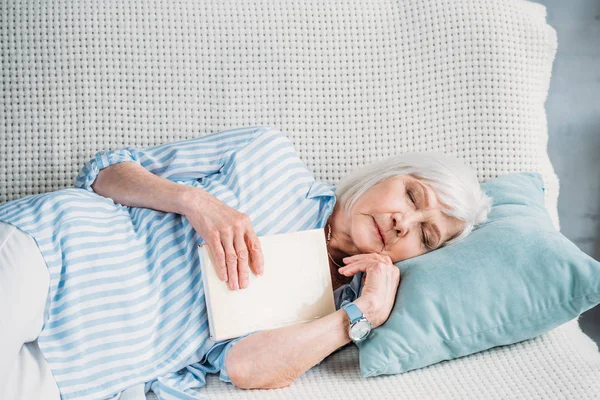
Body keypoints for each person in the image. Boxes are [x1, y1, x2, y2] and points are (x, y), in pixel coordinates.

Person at [0, 126, 492, 399]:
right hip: (54, 254)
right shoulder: (268, 155)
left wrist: (359, 317)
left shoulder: (326, 309)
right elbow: (106, 174)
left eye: (425, 235)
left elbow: (246, 367)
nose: (404, 222)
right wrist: (193, 201)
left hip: (89, 369)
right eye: (411, 195)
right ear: (387, 175)